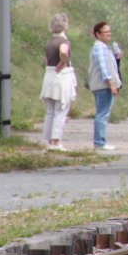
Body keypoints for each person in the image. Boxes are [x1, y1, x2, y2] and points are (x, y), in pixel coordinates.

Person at [40, 13, 77, 152]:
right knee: (60, 110)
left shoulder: (50, 42)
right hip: (61, 76)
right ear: (65, 25)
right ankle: (57, 140)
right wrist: (63, 62)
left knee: (50, 111)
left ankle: (49, 140)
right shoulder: (64, 41)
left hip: (48, 76)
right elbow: (63, 52)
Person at [88, 21, 122, 151]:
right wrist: (111, 84)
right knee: (102, 114)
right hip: (103, 86)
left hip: (104, 85)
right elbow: (103, 68)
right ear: (98, 34)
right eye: (106, 32)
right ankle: (100, 142)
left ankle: (100, 141)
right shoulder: (99, 48)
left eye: (109, 32)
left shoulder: (105, 47)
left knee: (103, 113)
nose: (109, 34)